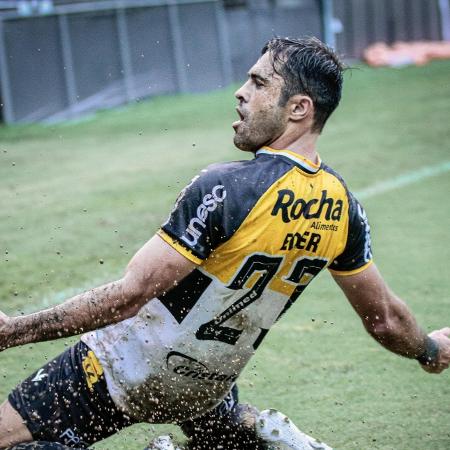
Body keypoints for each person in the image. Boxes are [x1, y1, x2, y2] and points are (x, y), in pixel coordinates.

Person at [0, 36, 449, 450]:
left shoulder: (228, 185)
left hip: (124, 366)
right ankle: (252, 430)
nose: (241, 92)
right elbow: (385, 319)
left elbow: (130, 296)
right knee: (222, 423)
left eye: (258, 83)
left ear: (298, 108)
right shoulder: (344, 207)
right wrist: (429, 349)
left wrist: (11, 331)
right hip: (207, 387)